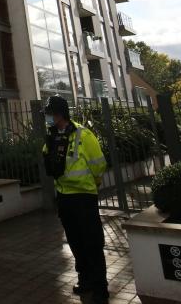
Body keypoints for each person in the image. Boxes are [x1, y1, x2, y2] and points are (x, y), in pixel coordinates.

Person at [42, 96, 109, 303]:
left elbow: (99, 164)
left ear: (60, 114)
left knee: (92, 243)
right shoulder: (52, 136)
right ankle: (85, 279)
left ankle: (100, 288)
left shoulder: (83, 135)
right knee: (75, 242)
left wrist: (94, 182)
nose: (48, 118)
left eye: (51, 114)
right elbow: (48, 159)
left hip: (84, 198)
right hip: (64, 197)